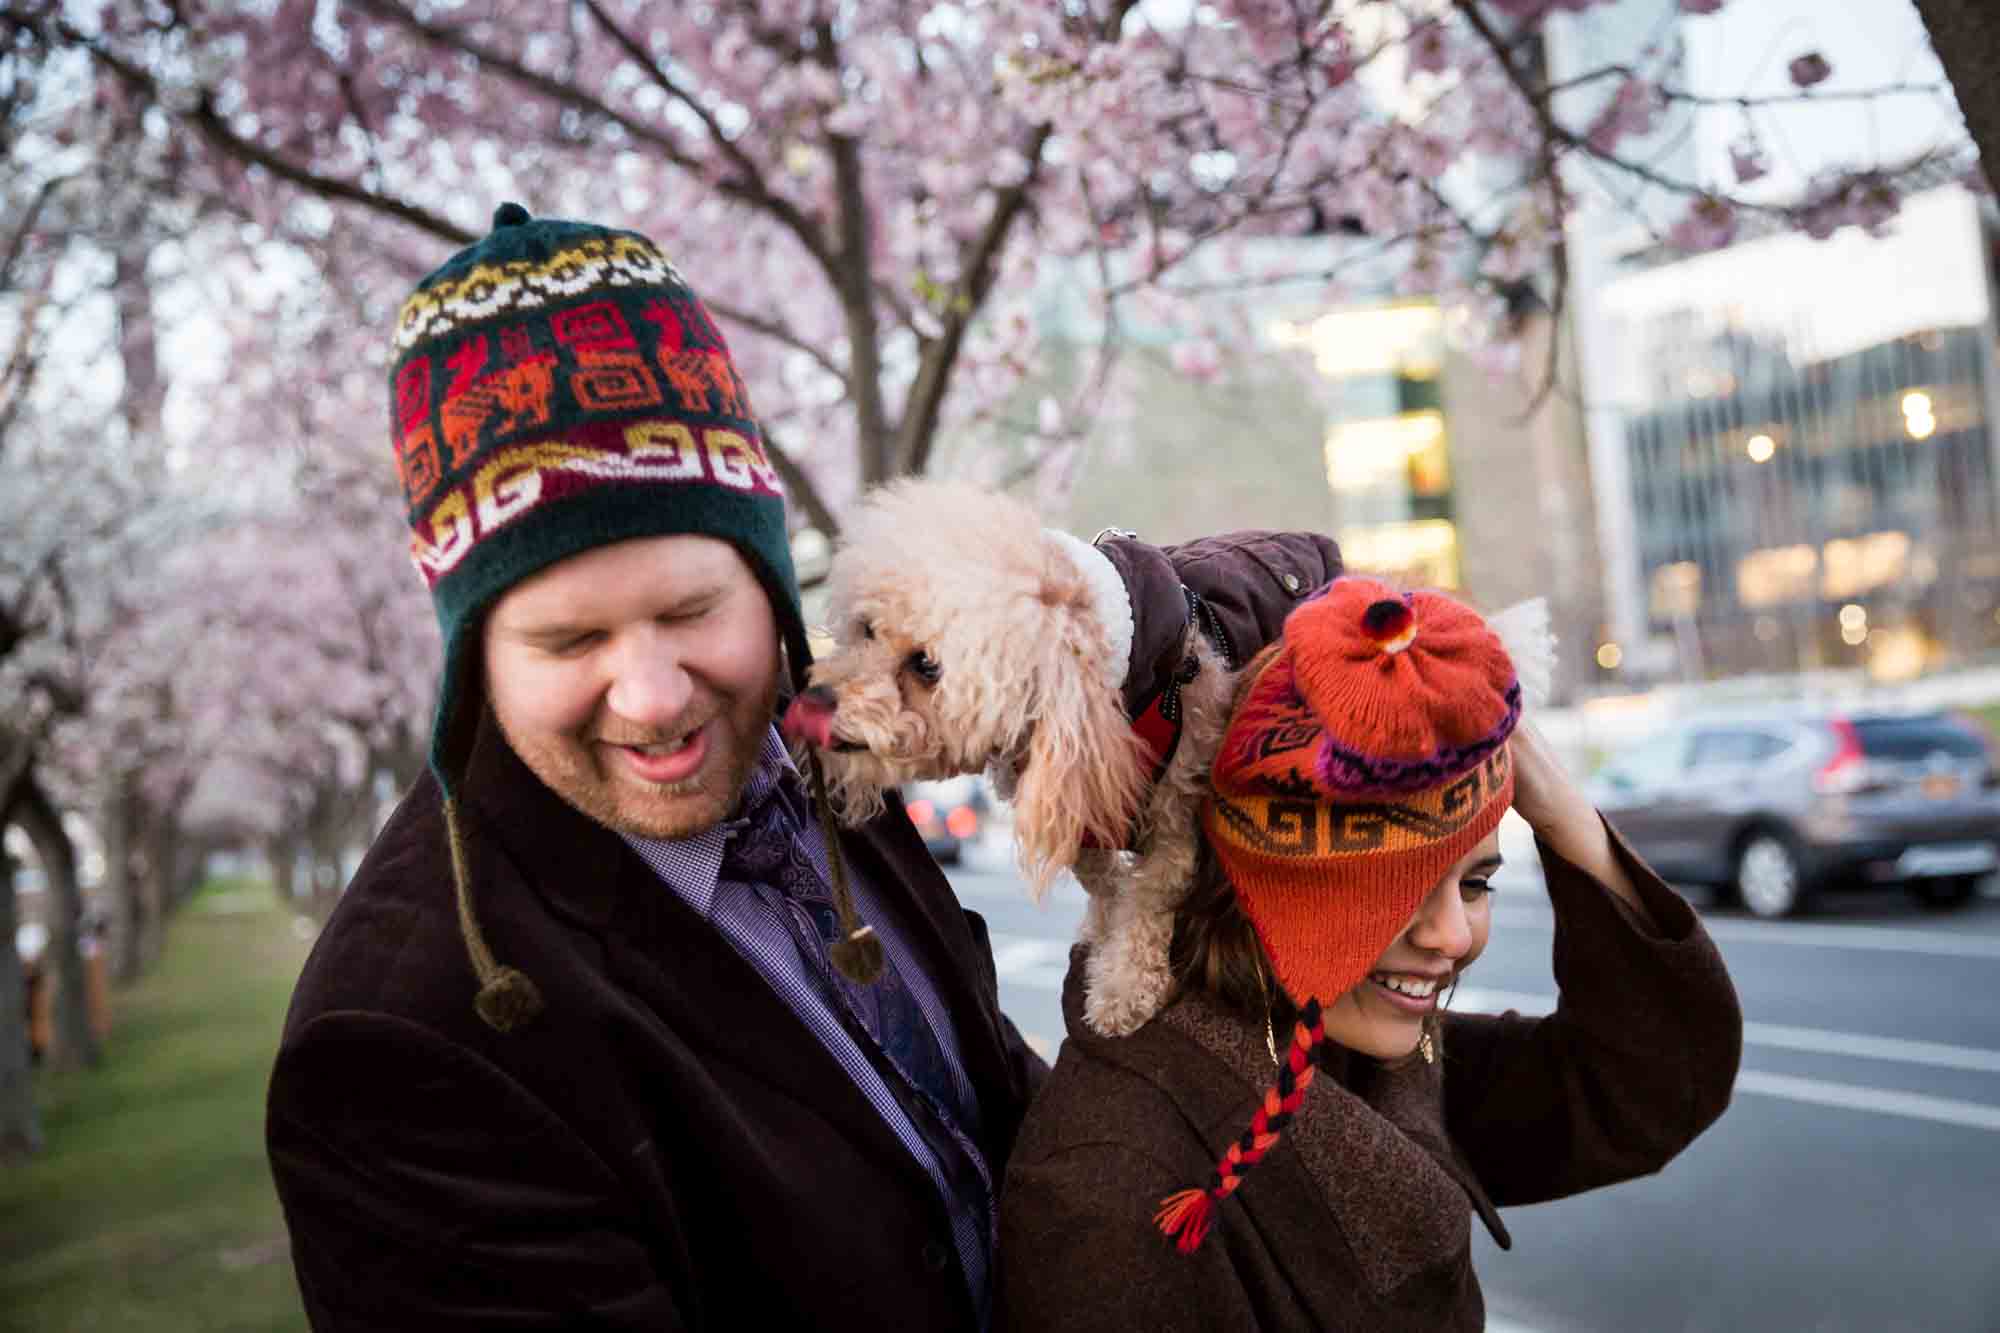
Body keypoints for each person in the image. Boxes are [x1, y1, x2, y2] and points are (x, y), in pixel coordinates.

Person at [265, 204, 1342, 1331]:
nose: (654, 696)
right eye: (567, 641)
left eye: (691, 610)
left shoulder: (807, 759)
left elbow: (997, 1127)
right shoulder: (403, 1049)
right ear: (472, 655)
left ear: (772, 584)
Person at [999, 576, 1744, 1331]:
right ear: (1266, 877)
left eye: (1478, 881)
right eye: (1398, 886)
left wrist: (1553, 801)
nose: (1453, 936)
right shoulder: (1111, 1196)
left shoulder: (1353, 1049)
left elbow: (1644, 1085)